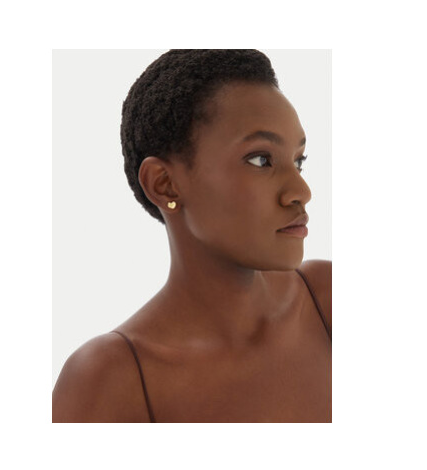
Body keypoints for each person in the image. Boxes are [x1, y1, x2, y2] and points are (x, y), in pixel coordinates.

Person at [52, 49, 332, 423]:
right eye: (261, 160)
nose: (301, 191)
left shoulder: (327, 300)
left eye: (298, 161)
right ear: (164, 184)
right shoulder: (109, 380)